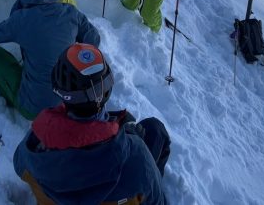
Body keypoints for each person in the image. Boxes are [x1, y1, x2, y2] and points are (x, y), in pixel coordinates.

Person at [13, 44, 171, 205]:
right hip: (129, 175)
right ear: (107, 89)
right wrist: (128, 135)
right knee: (155, 130)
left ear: (59, 89)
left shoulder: (33, 145)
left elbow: (19, 166)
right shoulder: (136, 155)